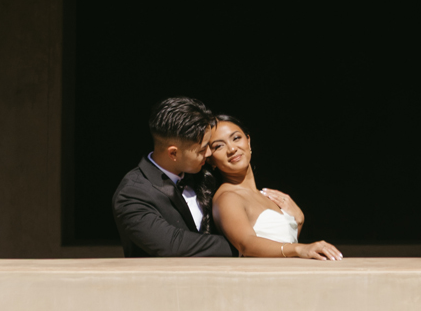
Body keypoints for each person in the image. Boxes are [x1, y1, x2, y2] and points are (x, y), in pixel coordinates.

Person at [112, 96, 235, 258]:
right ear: (173, 153)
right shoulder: (131, 193)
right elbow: (173, 245)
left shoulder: (204, 173)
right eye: (202, 150)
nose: (209, 153)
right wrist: (244, 245)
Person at [206, 114, 343, 260]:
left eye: (236, 138)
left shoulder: (264, 195)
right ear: (210, 160)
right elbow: (246, 244)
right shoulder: (228, 198)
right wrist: (300, 248)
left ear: (248, 141)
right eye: (219, 146)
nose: (232, 149)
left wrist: (298, 221)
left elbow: (278, 244)